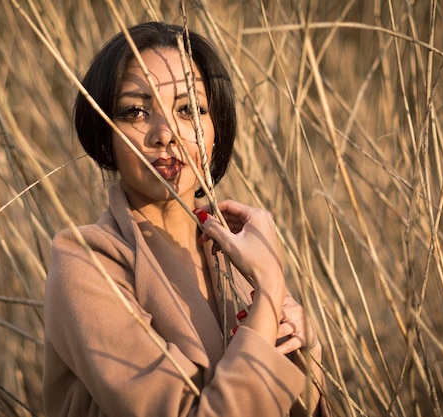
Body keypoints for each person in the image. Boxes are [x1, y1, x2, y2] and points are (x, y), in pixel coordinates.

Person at [44, 21, 328, 416]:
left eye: (189, 109)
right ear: (106, 135)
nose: (166, 134)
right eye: (136, 111)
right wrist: (269, 292)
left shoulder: (235, 249)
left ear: (216, 131)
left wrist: (307, 351)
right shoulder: (87, 262)